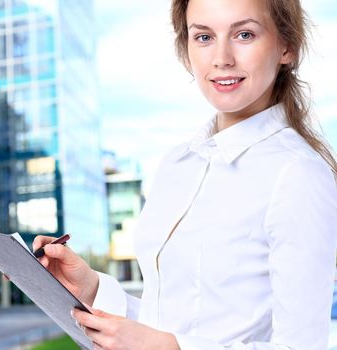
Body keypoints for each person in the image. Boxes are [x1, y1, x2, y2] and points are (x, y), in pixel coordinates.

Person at [33, 0, 337, 349]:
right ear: (186, 48)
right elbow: (168, 324)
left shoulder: (298, 174)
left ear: (287, 46)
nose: (222, 57)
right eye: (204, 37)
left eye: (244, 34)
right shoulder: (177, 165)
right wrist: (92, 289)